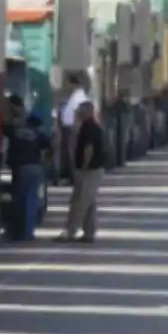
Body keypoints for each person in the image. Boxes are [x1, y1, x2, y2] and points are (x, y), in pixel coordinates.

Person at [57, 101, 105, 243]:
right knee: (89, 202)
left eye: (80, 111)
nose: (78, 113)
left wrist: (83, 166)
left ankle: (71, 231)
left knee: (79, 202)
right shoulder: (91, 126)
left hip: (89, 170)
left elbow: (88, 149)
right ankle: (89, 232)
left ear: (88, 112)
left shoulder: (89, 128)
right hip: (94, 169)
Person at [3, 106, 50, 241]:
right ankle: (28, 231)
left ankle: (18, 231)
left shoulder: (17, 132)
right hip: (35, 167)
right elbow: (50, 146)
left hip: (22, 169)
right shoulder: (39, 134)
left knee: (20, 201)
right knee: (31, 200)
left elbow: (5, 130)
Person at [58, 73, 90, 182]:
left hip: (74, 129)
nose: (65, 86)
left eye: (66, 84)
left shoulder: (79, 96)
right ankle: (70, 176)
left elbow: (80, 112)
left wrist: (77, 126)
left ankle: (75, 177)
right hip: (67, 128)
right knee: (68, 153)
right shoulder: (72, 96)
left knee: (72, 153)